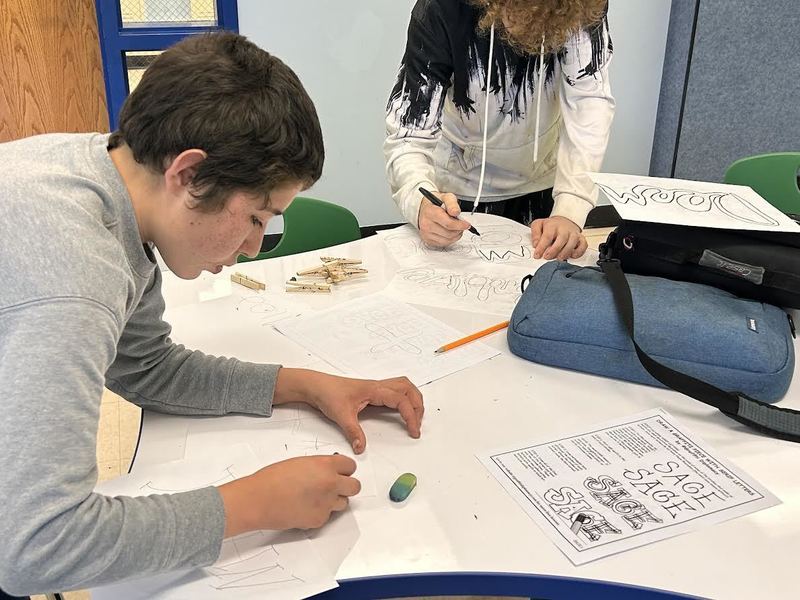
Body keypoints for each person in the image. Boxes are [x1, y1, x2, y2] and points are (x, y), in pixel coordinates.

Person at [0, 32, 423, 597]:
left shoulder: (107, 173)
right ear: (189, 174)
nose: (253, 247)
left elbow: (146, 367)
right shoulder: (74, 274)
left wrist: (305, 385)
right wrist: (250, 504)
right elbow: (35, 544)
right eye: (255, 217)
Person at [384, 0, 615, 260]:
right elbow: (410, 133)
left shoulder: (582, 5)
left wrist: (571, 208)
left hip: (542, 193)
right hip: (455, 195)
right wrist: (419, 202)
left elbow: (589, 104)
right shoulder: (440, 7)